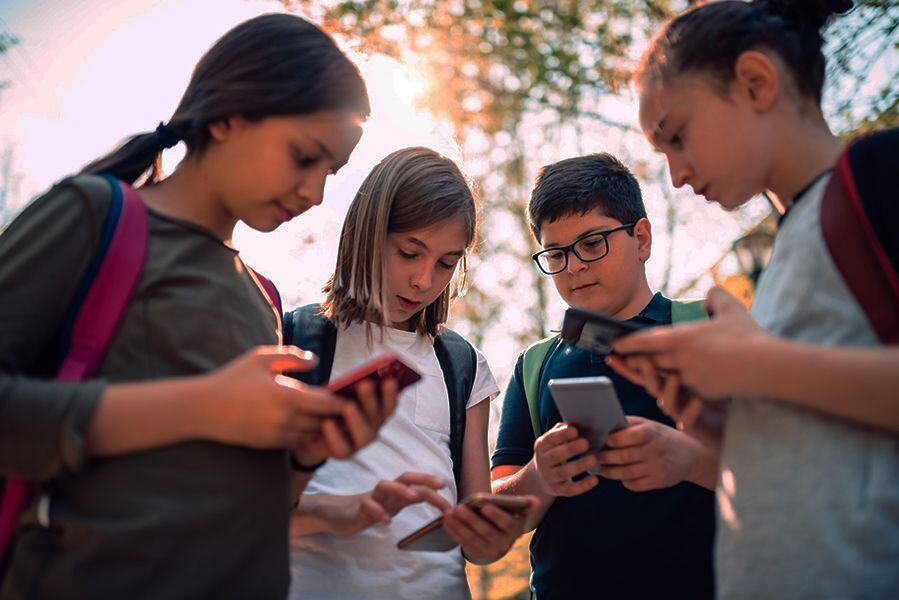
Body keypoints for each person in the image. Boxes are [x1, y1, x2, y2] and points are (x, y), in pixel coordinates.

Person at [0, 14, 395, 598]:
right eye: (303, 156)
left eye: (331, 173)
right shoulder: (95, 215)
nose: (314, 193)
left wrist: (303, 457)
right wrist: (200, 406)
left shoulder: (264, 297)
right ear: (230, 115)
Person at [609, 1, 899, 597]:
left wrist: (754, 364)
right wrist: (723, 429)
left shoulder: (878, 177)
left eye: (677, 137)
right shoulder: (790, 245)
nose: (677, 176)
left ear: (754, 82)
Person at [285, 146, 539, 599]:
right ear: (368, 233)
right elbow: (245, 512)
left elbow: (478, 548)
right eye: (409, 252)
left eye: (446, 263)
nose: (424, 280)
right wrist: (340, 511)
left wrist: (494, 522)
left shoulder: (462, 365)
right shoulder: (295, 341)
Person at [490, 153, 718, 599]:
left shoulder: (706, 330)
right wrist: (540, 475)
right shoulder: (535, 364)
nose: (574, 266)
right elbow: (502, 503)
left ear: (642, 239)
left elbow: (774, 467)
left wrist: (688, 459)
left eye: (593, 243)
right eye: (556, 254)